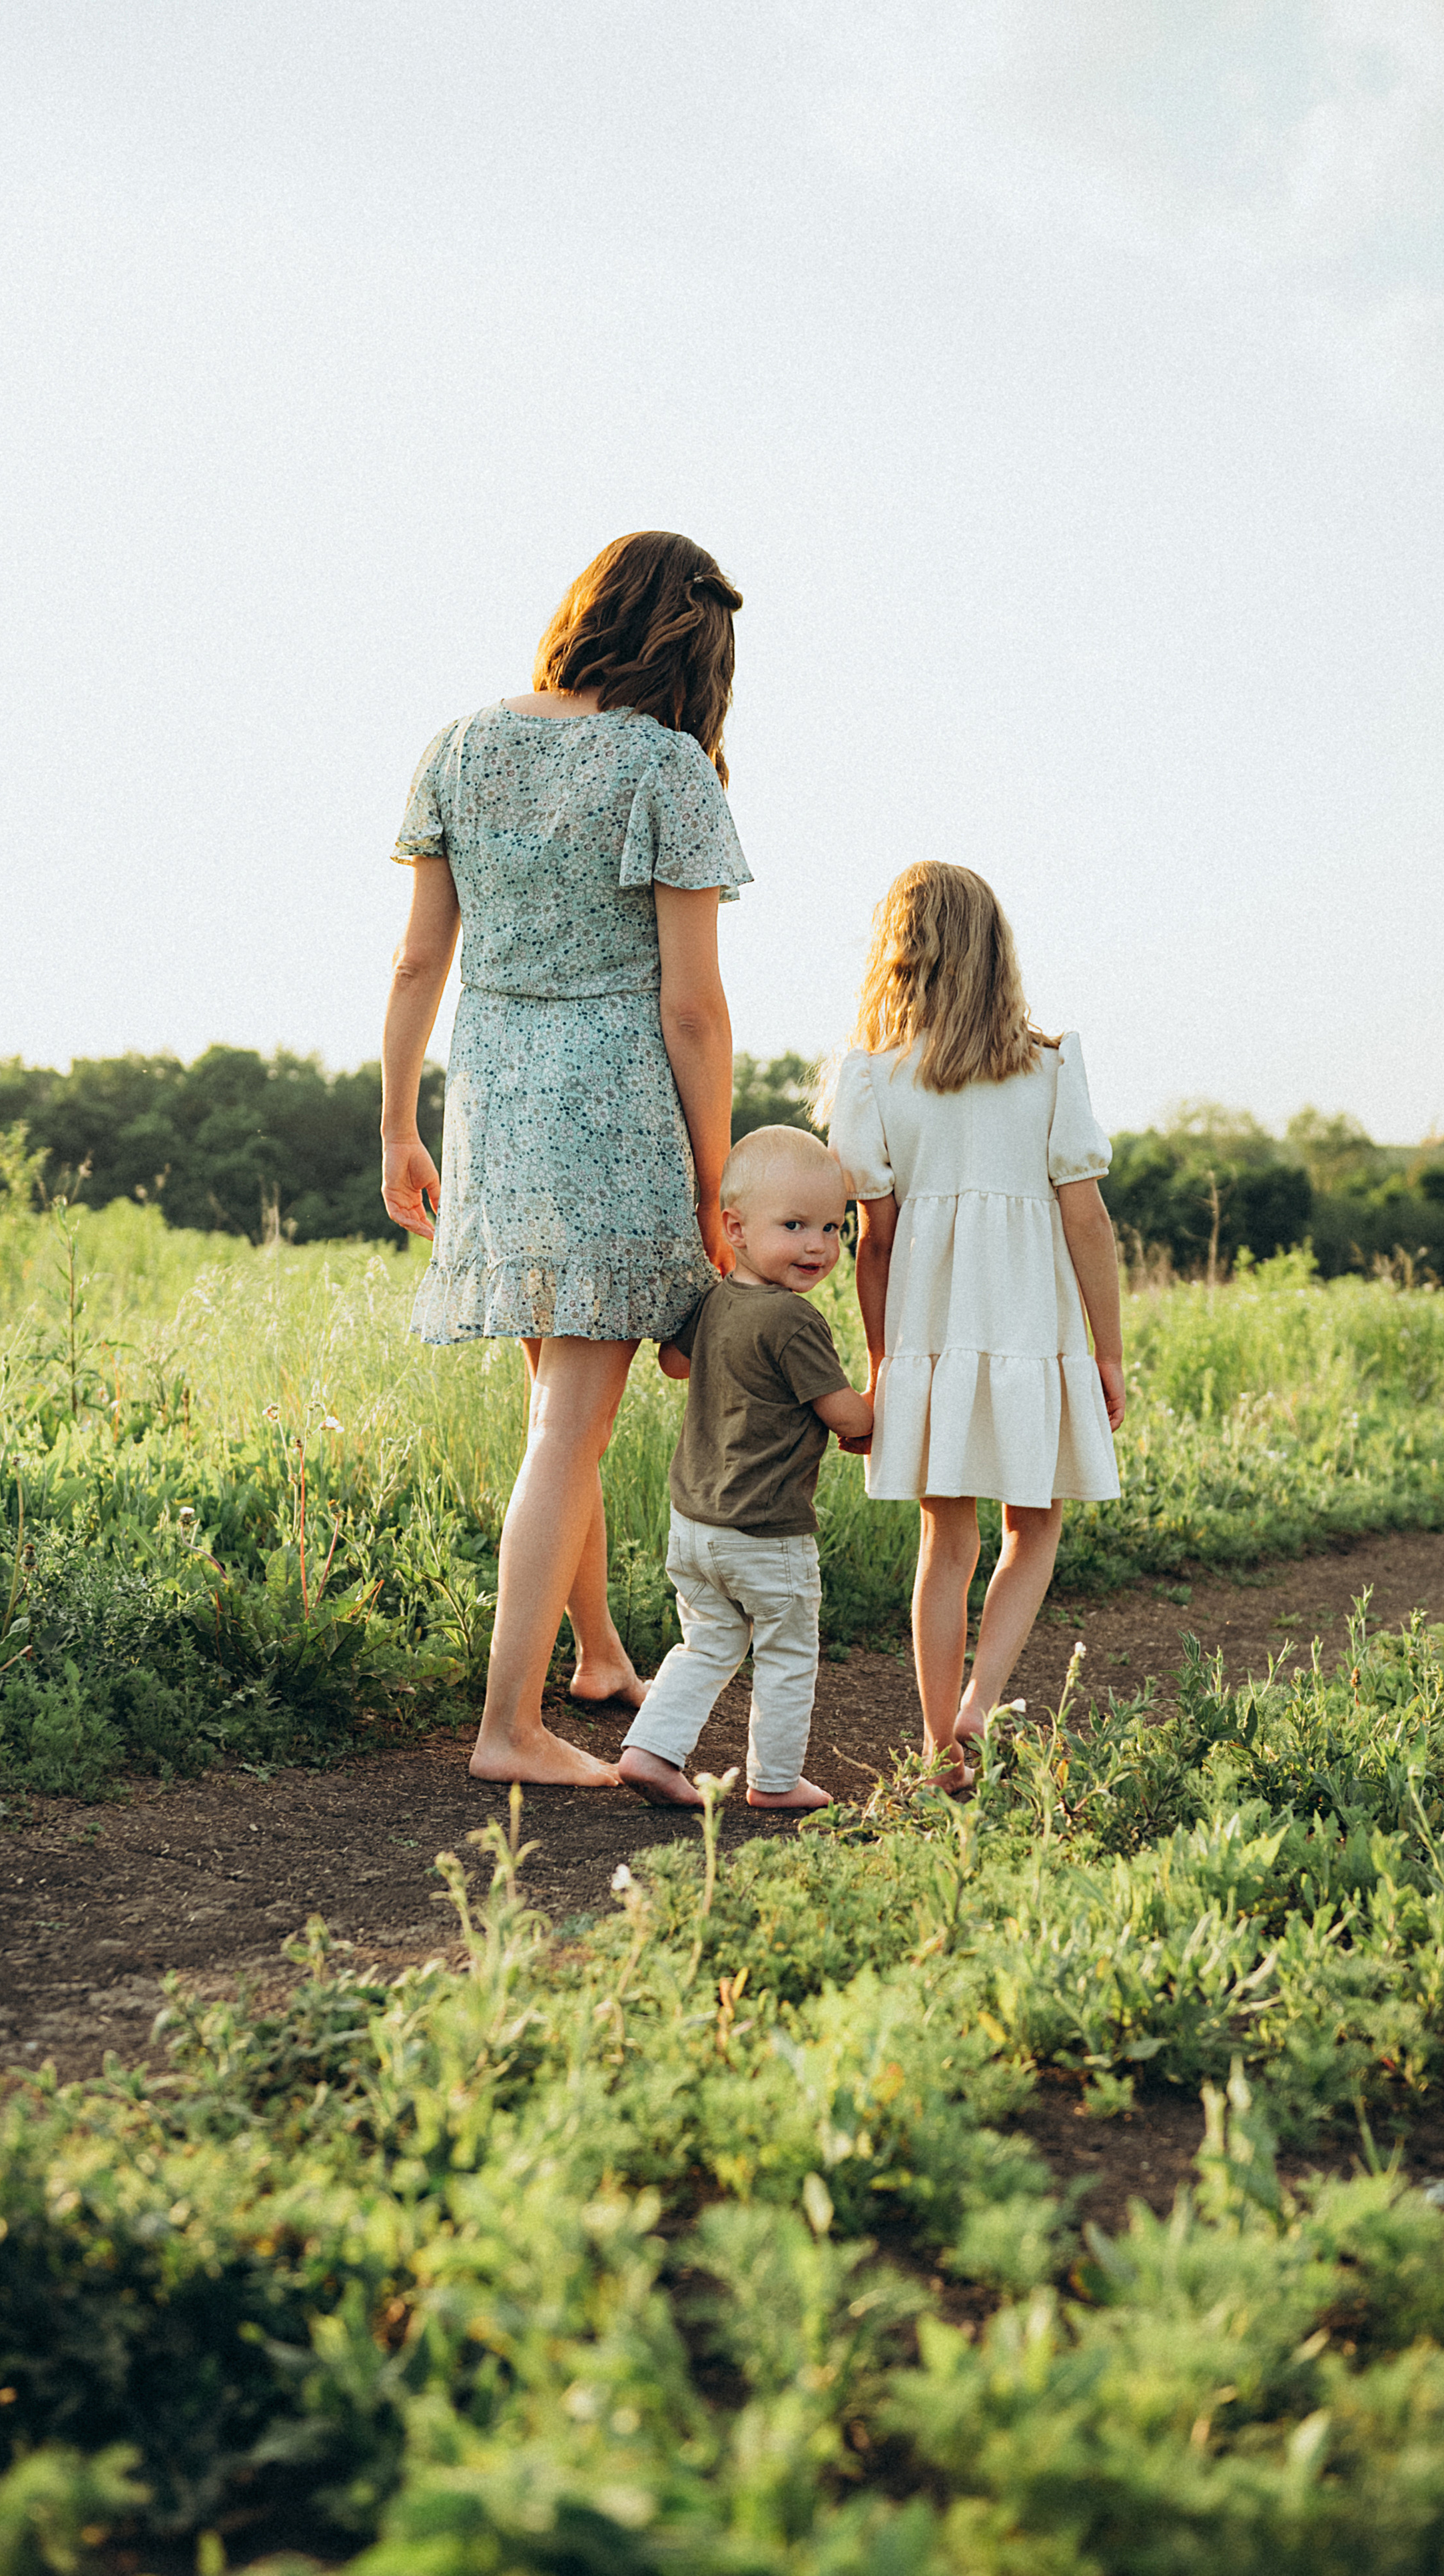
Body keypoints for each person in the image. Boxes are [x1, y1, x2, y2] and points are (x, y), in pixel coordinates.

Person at [380, 532, 750, 1786]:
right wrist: (719, 1183)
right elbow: (693, 1008)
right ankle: (509, 1728)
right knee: (572, 1422)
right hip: (617, 1115)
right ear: (689, 644)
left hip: (495, 1106)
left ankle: (596, 1655)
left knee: (562, 1412)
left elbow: (418, 961)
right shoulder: (665, 768)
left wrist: (398, 1122)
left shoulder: (462, 744)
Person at [825, 862, 1124, 1790]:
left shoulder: (872, 1079)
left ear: (899, 956)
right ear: (999, 954)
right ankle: (980, 1700)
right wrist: (1108, 1354)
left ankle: (936, 1746)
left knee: (943, 1545)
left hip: (931, 1340)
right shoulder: (1051, 1066)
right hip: (1036, 1334)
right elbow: (1087, 1220)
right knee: (1034, 1528)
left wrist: (885, 1364)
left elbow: (873, 1243)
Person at [618, 1127, 872, 1811]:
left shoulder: (716, 1303)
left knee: (706, 1644)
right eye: (793, 1226)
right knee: (786, 1653)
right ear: (734, 1227)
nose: (818, 1246)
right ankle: (776, 1780)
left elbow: (674, 1363)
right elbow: (849, 1419)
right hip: (767, 1534)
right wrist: (887, 1402)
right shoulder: (792, 1321)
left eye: (833, 1227)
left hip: (693, 1524)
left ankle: (650, 1750)